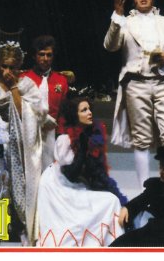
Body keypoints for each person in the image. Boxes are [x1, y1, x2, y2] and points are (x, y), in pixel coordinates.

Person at [104, 0, 164, 189]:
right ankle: (144, 190)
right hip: (136, 83)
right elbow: (110, 46)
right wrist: (117, 17)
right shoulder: (125, 23)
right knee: (141, 138)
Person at [37, 96, 126, 247]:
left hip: (73, 183)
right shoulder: (65, 140)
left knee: (112, 200)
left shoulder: (92, 135)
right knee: (104, 204)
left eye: (89, 109)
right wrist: (83, 148)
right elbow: (71, 173)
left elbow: (98, 172)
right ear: (75, 115)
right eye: (84, 110)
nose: (89, 113)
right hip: (57, 187)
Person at [0, 39, 47, 246]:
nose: (8, 71)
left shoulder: (26, 84)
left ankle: (25, 231)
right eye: (4, 66)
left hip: (23, 147)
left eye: (12, 67)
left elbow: (29, 115)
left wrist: (14, 87)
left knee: (24, 189)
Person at [21, 35, 71, 170]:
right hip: (29, 133)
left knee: (50, 172)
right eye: (41, 54)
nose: (45, 58)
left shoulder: (61, 81)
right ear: (34, 56)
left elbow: (63, 112)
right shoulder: (24, 78)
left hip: (52, 134)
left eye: (49, 55)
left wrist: (60, 135)